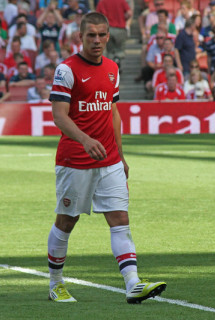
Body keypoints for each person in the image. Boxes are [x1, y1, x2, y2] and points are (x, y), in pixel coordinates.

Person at [48, 12, 166, 304]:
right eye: (91, 35)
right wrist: (86, 140)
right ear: (80, 37)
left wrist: (121, 155)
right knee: (67, 221)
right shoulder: (66, 69)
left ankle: (133, 283)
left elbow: (113, 113)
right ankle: (55, 283)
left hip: (109, 160)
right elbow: (59, 116)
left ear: (108, 36)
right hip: (75, 160)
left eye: (102, 35)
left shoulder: (112, 68)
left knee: (120, 219)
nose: (97, 40)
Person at [96, 0, 132, 68]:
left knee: (110, 50)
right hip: (120, 28)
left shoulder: (102, 2)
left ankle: (111, 66)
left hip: (108, 29)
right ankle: (117, 61)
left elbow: (98, 15)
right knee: (120, 49)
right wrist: (124, 18)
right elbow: (129, 13)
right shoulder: (121, 1)